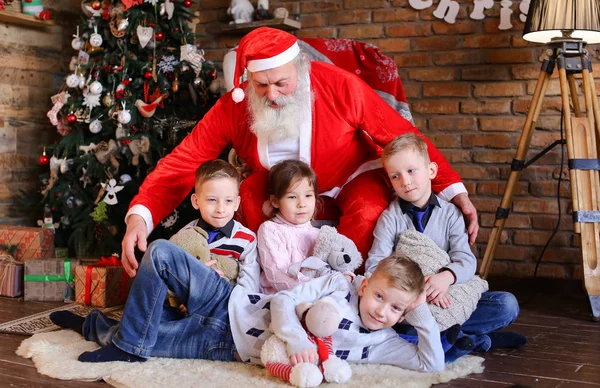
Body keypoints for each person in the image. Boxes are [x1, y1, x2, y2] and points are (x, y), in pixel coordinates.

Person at [121, 26, 479, 278]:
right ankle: (272, 283)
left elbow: (403, 136)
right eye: (261, 85)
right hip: (284, 186)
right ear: (247, 81)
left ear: (300, 69)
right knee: (248, 193)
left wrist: (453, 190)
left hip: (347, 175)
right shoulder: (236, 104)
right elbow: (188, 159)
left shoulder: (339, 85)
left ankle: (348, 287)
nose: (273, 94)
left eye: (282, 83)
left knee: (369, 209)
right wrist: (142, 214)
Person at [49, 241, 447, 372]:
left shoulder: (383, 343)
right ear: (366, 284)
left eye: (396, 309)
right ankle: (133, 341)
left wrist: (420, 312)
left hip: (226, 344)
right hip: (231, 300)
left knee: (144, 340)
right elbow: (287, 300)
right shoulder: (338, 287)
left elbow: (433, 365)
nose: (382, 312)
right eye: (379, 296)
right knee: (160, 253)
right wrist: (293, 338)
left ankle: (97, 327)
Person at [366, 133, 527, 355]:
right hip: (410, 301)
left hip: (448, 295)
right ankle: (474, 340)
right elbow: (376, 263)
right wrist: (405, 296)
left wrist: (445, 278)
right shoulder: (390, 217)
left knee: (506, 305)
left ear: (431, 170)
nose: (405, 181)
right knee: (398, 322)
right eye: (395, 176)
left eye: (411, 170)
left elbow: (466, 260)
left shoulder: (451, 214)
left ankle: (445, 337)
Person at [169, 159, 260, 293]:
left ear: (236, 203)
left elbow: (250, 285)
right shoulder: (185, 235)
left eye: (228, 201)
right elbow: (174, 273)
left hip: (228, 304)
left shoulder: (246, 240)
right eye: (212, 200)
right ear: (196, 201)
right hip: (191, 297)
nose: (220, 209)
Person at [257, 159, 320, 294]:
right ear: (275, 201)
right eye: (292, 197)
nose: (302, 204)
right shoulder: (270, 229)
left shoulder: (319, 234)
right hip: (280, 296)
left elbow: (336, 259)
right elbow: (277, 274)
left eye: (308, 195)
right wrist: (318, 288)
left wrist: (345, 277)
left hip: (318, 295)